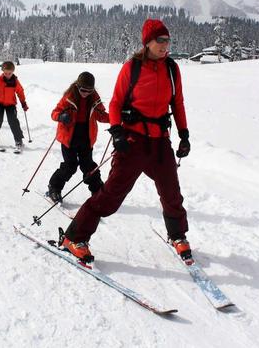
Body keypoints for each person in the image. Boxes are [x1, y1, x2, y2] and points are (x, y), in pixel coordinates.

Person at [60, 19, 192, 264]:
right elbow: (116, 103)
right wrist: (117, 132)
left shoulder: (172, 69)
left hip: (160, 141)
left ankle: (178, 235)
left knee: (171, 192)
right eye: (160, 41)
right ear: (147, 43)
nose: (165, 46)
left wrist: (184, 134)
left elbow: (178, 102)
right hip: (132, 141)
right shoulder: (132, 68)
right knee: (110, 195)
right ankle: (74, 237)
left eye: (167, 41)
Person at [47, 72, 109, 203]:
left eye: (89, 90)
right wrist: (61, 117)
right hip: (69, 137)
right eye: (83, 90)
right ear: (77, 86)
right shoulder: (69, 97)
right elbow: (54, 113)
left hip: (86, 137)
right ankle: (54, 187)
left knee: (88, 166)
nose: (86, 93)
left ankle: (98, 191)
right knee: (70, 166)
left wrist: (116, 118)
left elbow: (101, 115)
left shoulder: (94, 99)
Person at [0, 61, 27, 151]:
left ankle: (18, 140)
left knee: (13, 120)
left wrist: (23, 102)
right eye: (5, 73)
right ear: (3, 71)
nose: (7, 75)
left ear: (13, 71)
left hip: (11, 104)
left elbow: (20, 91)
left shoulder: (15, 81)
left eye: (10, 73)